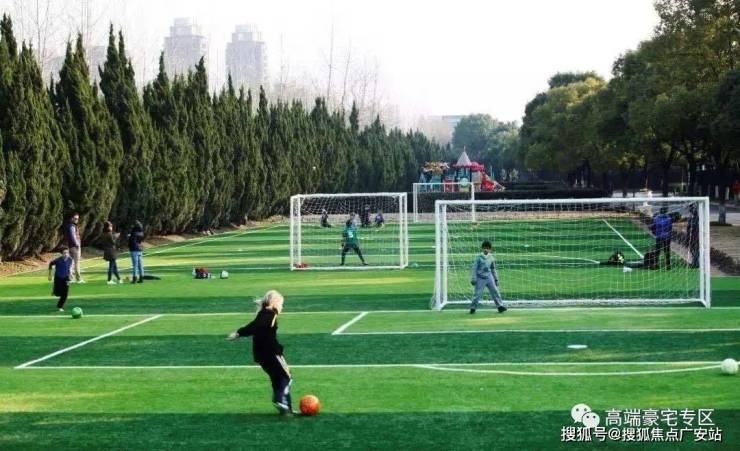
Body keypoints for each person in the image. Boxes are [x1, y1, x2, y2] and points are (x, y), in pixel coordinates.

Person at [227, 291, 294, 415]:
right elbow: (256, 326)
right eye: (281, 304)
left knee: (276, 377)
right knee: (287, 376)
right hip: (272, 352)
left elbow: (252, 326)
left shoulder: (263, 314)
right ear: (274, 303)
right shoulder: (270, 315)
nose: (282, 307)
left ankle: (283, 405)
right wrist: (239, 333)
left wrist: (239, 333)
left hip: (261, 355)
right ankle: (282, 400)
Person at [469, 240, 506, 314]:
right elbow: (474, 268)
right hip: (480, 278)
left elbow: (493, 269)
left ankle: (500, 306)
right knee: (477, 294)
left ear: (490, 249)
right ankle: (473, 308)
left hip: (489, 277)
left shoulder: (491, 257)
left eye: (488, 248)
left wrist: (496, 279)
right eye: (484, 248)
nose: (486, 250)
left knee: (495, 291)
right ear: (482, 248)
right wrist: (473, 278)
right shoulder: (478, 257)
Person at [48, 247, 73, 312]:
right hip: (58, 278)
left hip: (66, 278)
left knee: (65, 293)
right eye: (64, 253)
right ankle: (54, 291)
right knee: (57, 293)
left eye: (67, 253)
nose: (66, 254)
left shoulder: (70, 259)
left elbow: (69, 267)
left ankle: (60, 306)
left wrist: (71, 274)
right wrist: (50, 275)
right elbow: (50, 264)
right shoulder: (57, 260)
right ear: (61, 254)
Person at [64, 212, 85, 283]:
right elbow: (72, 236)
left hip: (71, 246)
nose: (77, 220)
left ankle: (70, 278)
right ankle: (78, 279)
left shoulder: (69, 225)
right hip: (75, 247)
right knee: (76, 263)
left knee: (71, 263)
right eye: (75, 218)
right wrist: (77, 244)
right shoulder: (72, 226)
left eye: (77, 219)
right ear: (71, 218)